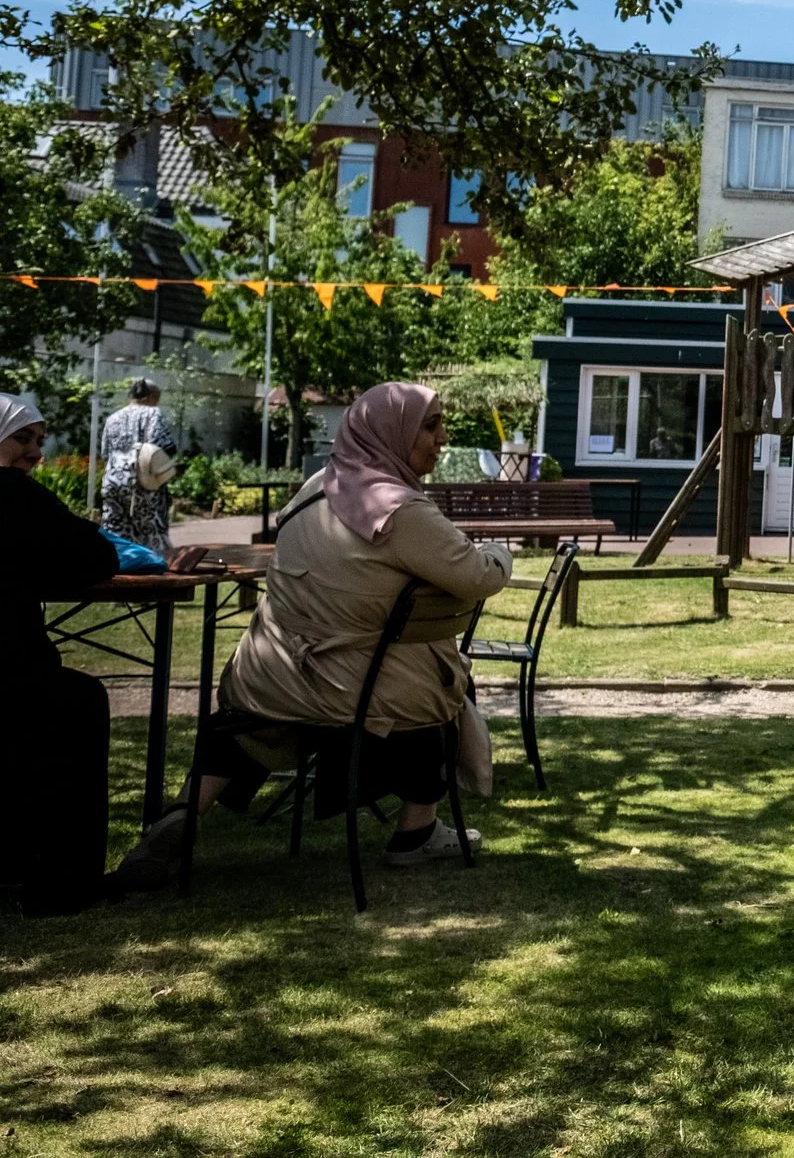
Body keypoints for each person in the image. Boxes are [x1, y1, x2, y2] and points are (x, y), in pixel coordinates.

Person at [117, 383, 511, 887]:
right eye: (430, 425)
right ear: (392, 433)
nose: (442, 438)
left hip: (268, 674)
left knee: (256, 721)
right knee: (441, 681)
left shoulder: (314, 489)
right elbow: (478, 576)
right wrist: (501, 550)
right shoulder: (401, 509)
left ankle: (187, 810)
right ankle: (417, 832)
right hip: (358, 690)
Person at [0, 391, 121, 916]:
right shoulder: (13, 494)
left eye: (38, 442)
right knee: (75, 700)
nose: (33, 453)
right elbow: (96, 557)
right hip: (10, 677)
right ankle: (60, 883)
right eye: (22, 438)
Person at [98, 376, 172, 556]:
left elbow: (105, 453)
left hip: (112, 480)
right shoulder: (153, 414)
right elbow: (163, 446)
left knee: (115, 529)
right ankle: (152, 575)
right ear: (151, 396)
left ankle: (116, 570)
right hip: (141, 480)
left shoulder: (112, 418)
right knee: (150, 532)